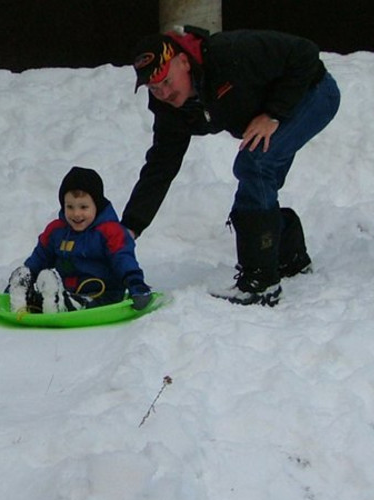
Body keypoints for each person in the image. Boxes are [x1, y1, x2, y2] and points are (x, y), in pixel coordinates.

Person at [124, 25, 340, 307]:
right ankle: (289, 258)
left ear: (184, 62)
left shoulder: (230, 53)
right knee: (256, 187)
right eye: (154, 87)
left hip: (314, 93)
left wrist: (273, 114)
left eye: (166, 81)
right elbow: (161, 165)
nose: (163, 92)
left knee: (255, 165)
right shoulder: (169, 108)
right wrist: (131, 227)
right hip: (283, 106)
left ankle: (261, 282)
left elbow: (305, 53)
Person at [7, 166, 152, 313]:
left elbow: (124, 260)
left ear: (97, 205)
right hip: (64, 292)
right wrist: (25, 277)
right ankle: (24, 299)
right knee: (46, 294)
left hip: (102, 295)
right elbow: (39, 258)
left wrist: (137, 285)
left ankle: (63, 303)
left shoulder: (111, 232)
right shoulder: (56, 231)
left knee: (77, 301)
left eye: (83, 207)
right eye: (70, 207)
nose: (76, 213)